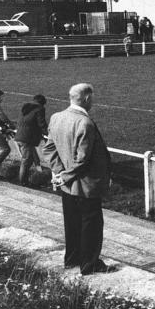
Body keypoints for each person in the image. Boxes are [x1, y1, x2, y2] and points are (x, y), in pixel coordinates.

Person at [42, 84, 116, 275]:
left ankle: (72, 259)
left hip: (68, 185)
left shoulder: (57, 117)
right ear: (86, 99)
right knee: (91, 224)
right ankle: (89, 264)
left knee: (72, 222)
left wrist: (59, 172)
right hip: (86, 184)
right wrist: (65, 175)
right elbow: (82, 159)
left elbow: (48, 149)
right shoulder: (85, 123)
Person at [15, 94, 48, 187]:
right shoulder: (40, 109)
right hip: (27, 138)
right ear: (42, 103)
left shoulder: (26, 107)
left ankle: (24, 181)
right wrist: (49, 133)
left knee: (26, 160)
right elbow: (41, 123)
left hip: (19, 136)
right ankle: (23, 182)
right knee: (26, 161)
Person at [0, 89, 15, 180]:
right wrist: (10, 124)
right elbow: (1, 116)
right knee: (5, 149)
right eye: (1, 97)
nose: (2, 99)